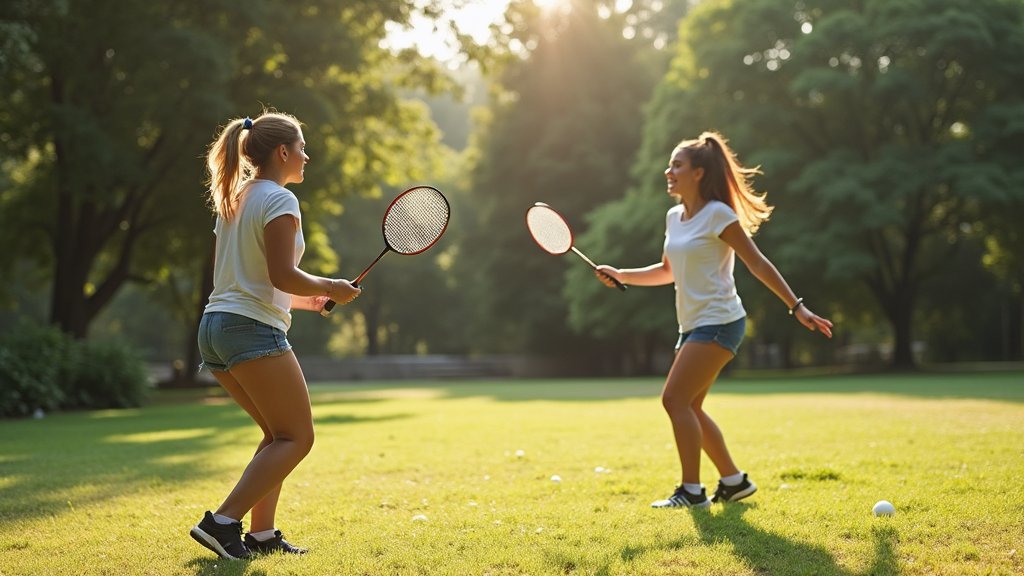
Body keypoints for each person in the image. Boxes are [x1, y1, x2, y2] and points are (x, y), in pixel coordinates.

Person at [595, 131, 833, 508]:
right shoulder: (674, 217)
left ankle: (692, 491)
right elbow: (667, 270)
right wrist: (622, 274)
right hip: (692, 324)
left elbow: (757, 263)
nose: (667, 171)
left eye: (677, 165)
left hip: (720, 320)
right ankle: (734, 482)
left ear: (699, 173)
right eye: (670, 164)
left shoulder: (718, 215)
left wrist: (796, 306)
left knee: (674, 400)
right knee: (689, 406)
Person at [191, 111, 361, 559]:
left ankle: (262, 535)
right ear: (283, 152)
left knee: (276, 435)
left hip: (216, 329)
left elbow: (254, 279)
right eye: (302, 148)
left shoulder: (236, 196)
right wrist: (330, 286)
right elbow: (283, 273)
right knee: (297, 438)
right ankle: (223, 522)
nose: (307, 156)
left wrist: (313, 300)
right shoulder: (280, 200)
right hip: (248, 330)